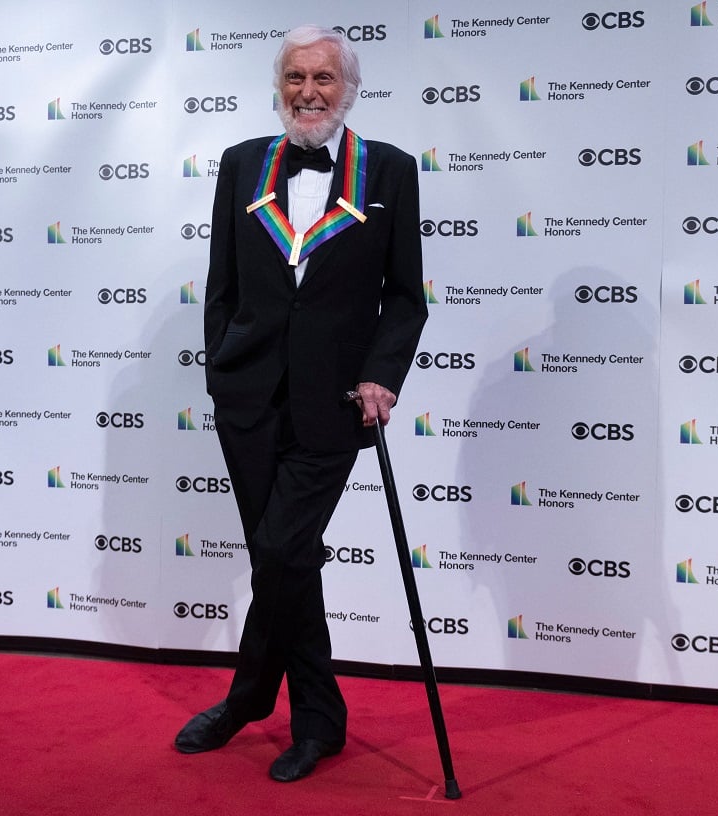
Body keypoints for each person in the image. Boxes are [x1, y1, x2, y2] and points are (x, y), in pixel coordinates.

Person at [174, 24, 427, 783]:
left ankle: (249, 694)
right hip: (247, 397)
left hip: (335, 402)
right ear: (277, 84)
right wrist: (222, 367)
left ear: (349, 88)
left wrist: (385, 373)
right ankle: (319, 718)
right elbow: (221, 282)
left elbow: (406, 298)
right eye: (295, 78)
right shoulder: (241, 163)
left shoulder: (389, 171)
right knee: (284, 561)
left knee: (284, 551)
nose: (308, 92)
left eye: (323, 78)